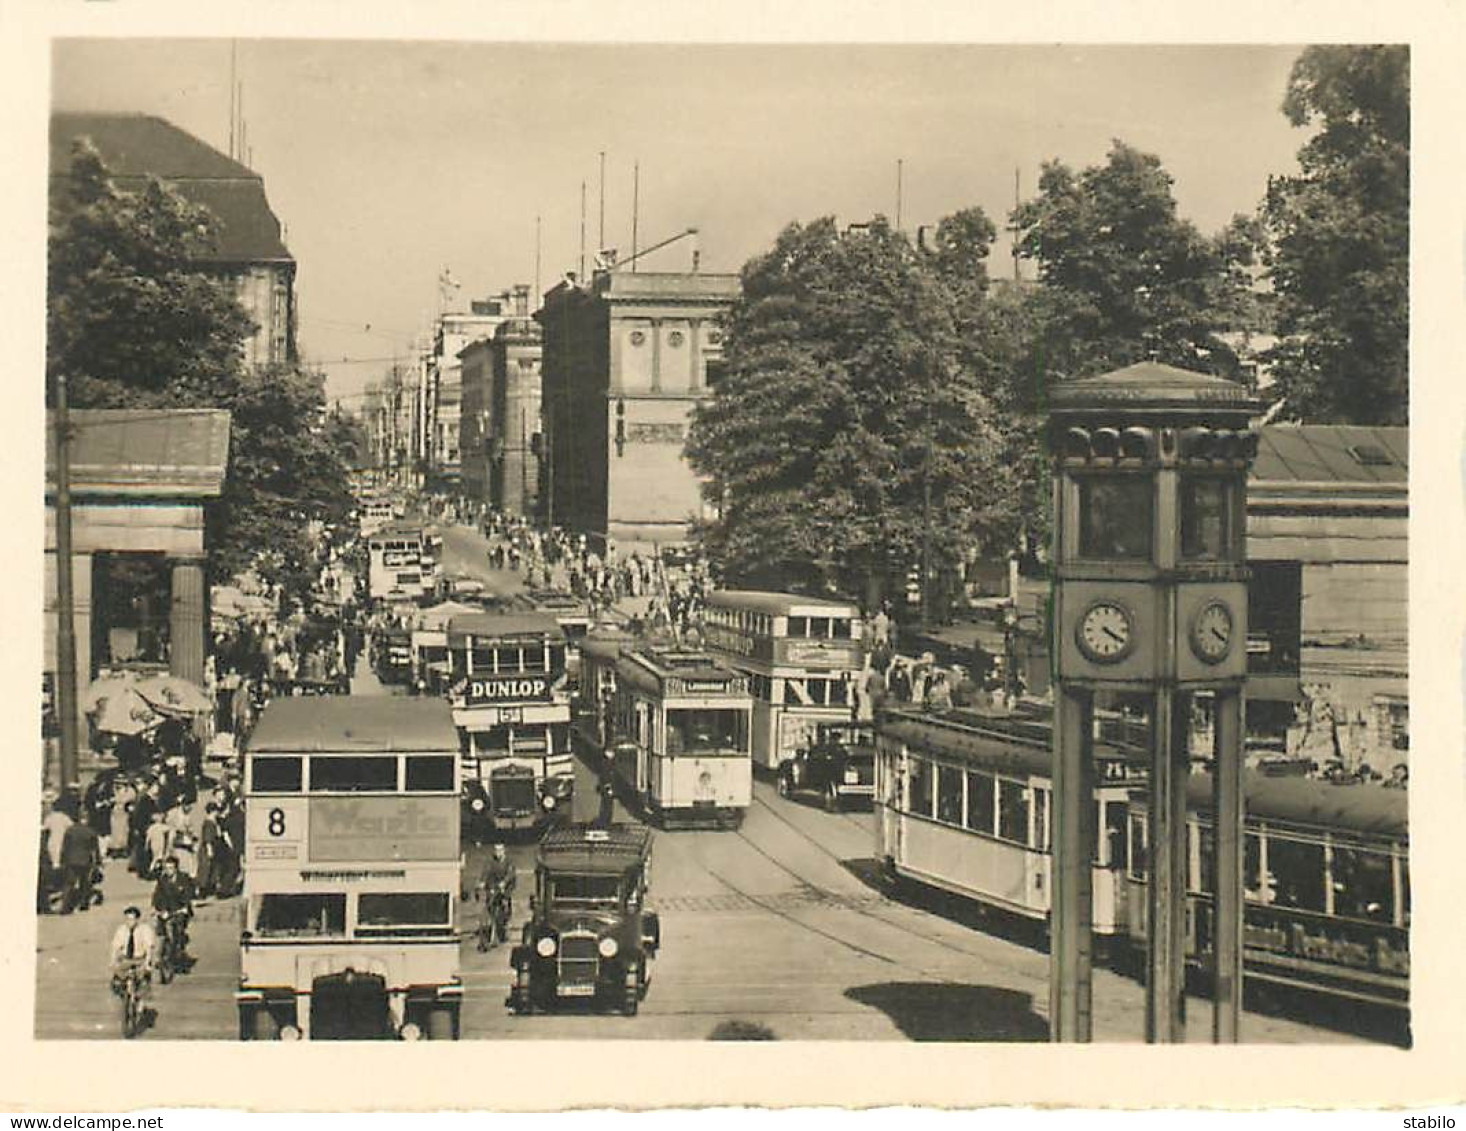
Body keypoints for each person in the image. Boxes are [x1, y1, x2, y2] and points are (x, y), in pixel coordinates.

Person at [151, 856, 197, 965]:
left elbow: (189, 894)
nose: (169, 871)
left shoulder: (183, 878)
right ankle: (162, 954)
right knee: (161, 929)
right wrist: (155, 908)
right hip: (166, 909)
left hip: (179, 909)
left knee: (179, 927)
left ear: (176, 868)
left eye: (171, 868)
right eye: (166, 868)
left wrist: (185, 907)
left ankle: (180, 949)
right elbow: (157, 895)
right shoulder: (162, 880)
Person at [109, 905, 158, 1005]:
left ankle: (141, 1003)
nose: (129, 922)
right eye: (127, 919)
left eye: (132, 919)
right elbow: (115, 947)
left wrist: (147, 962)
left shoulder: (145, 929)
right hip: (126, 959)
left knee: (143, 980)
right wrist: (113, 961)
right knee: (117, 981)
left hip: (139, 959)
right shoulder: (121, 930)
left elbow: (149, 948)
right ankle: (124, 999)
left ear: (137, 919)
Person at [59, 815, 102, 913]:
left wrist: (62, 860)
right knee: (84, 883)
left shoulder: (70, 830)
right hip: (85, 861)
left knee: (69, 884)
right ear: (87, 820)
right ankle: (83, 904)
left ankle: (65, 906)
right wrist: (98, 862)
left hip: (71, 860)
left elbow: (65, 847)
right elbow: (95, 849)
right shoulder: (90, 832)